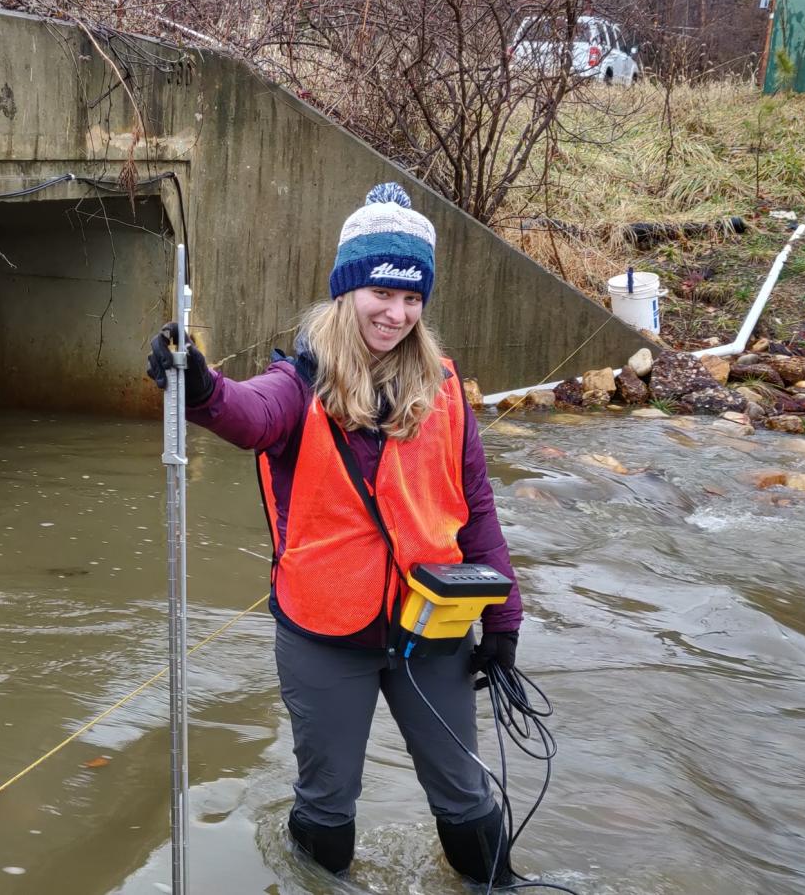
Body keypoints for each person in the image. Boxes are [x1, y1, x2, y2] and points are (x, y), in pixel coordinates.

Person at [146, 183, 524, 885]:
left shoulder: (441, 385)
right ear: (348, 289)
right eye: (383, 292)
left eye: (413, 299)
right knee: (328, 803)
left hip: (432, 627)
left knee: (467, 797)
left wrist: (503, 620)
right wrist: (198, 386)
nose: (397, 312)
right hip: (324, 634)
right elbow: (248, 414)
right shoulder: (299, 381)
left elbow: (475, 504)